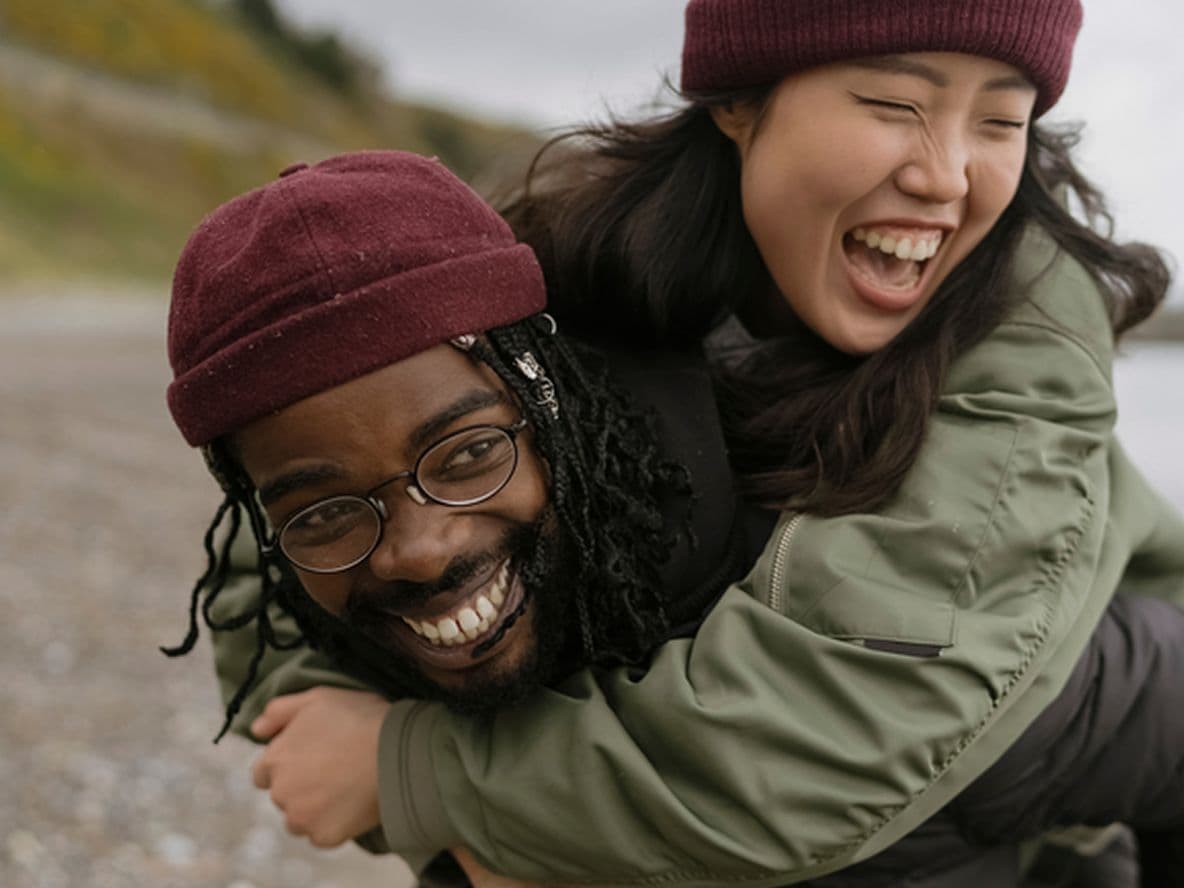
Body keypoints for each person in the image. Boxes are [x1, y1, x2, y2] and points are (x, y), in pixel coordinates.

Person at [185, 0, 1184, 883]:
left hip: (1092, 728)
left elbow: (834, 737)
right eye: (892, 104)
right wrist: (334, 724)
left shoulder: (1025, 328)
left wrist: (414, 775)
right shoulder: (565, 261)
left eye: (1001, 121)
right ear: (736, 100)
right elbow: (293, 509)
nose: (945, 175)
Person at [163, 148, 774, 881]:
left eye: (467, 454)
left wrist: (410, 783)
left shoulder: (762, 501)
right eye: (326, 513)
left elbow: (790, 777)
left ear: (549, 403)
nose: (419, 552)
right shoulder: (288, 556)